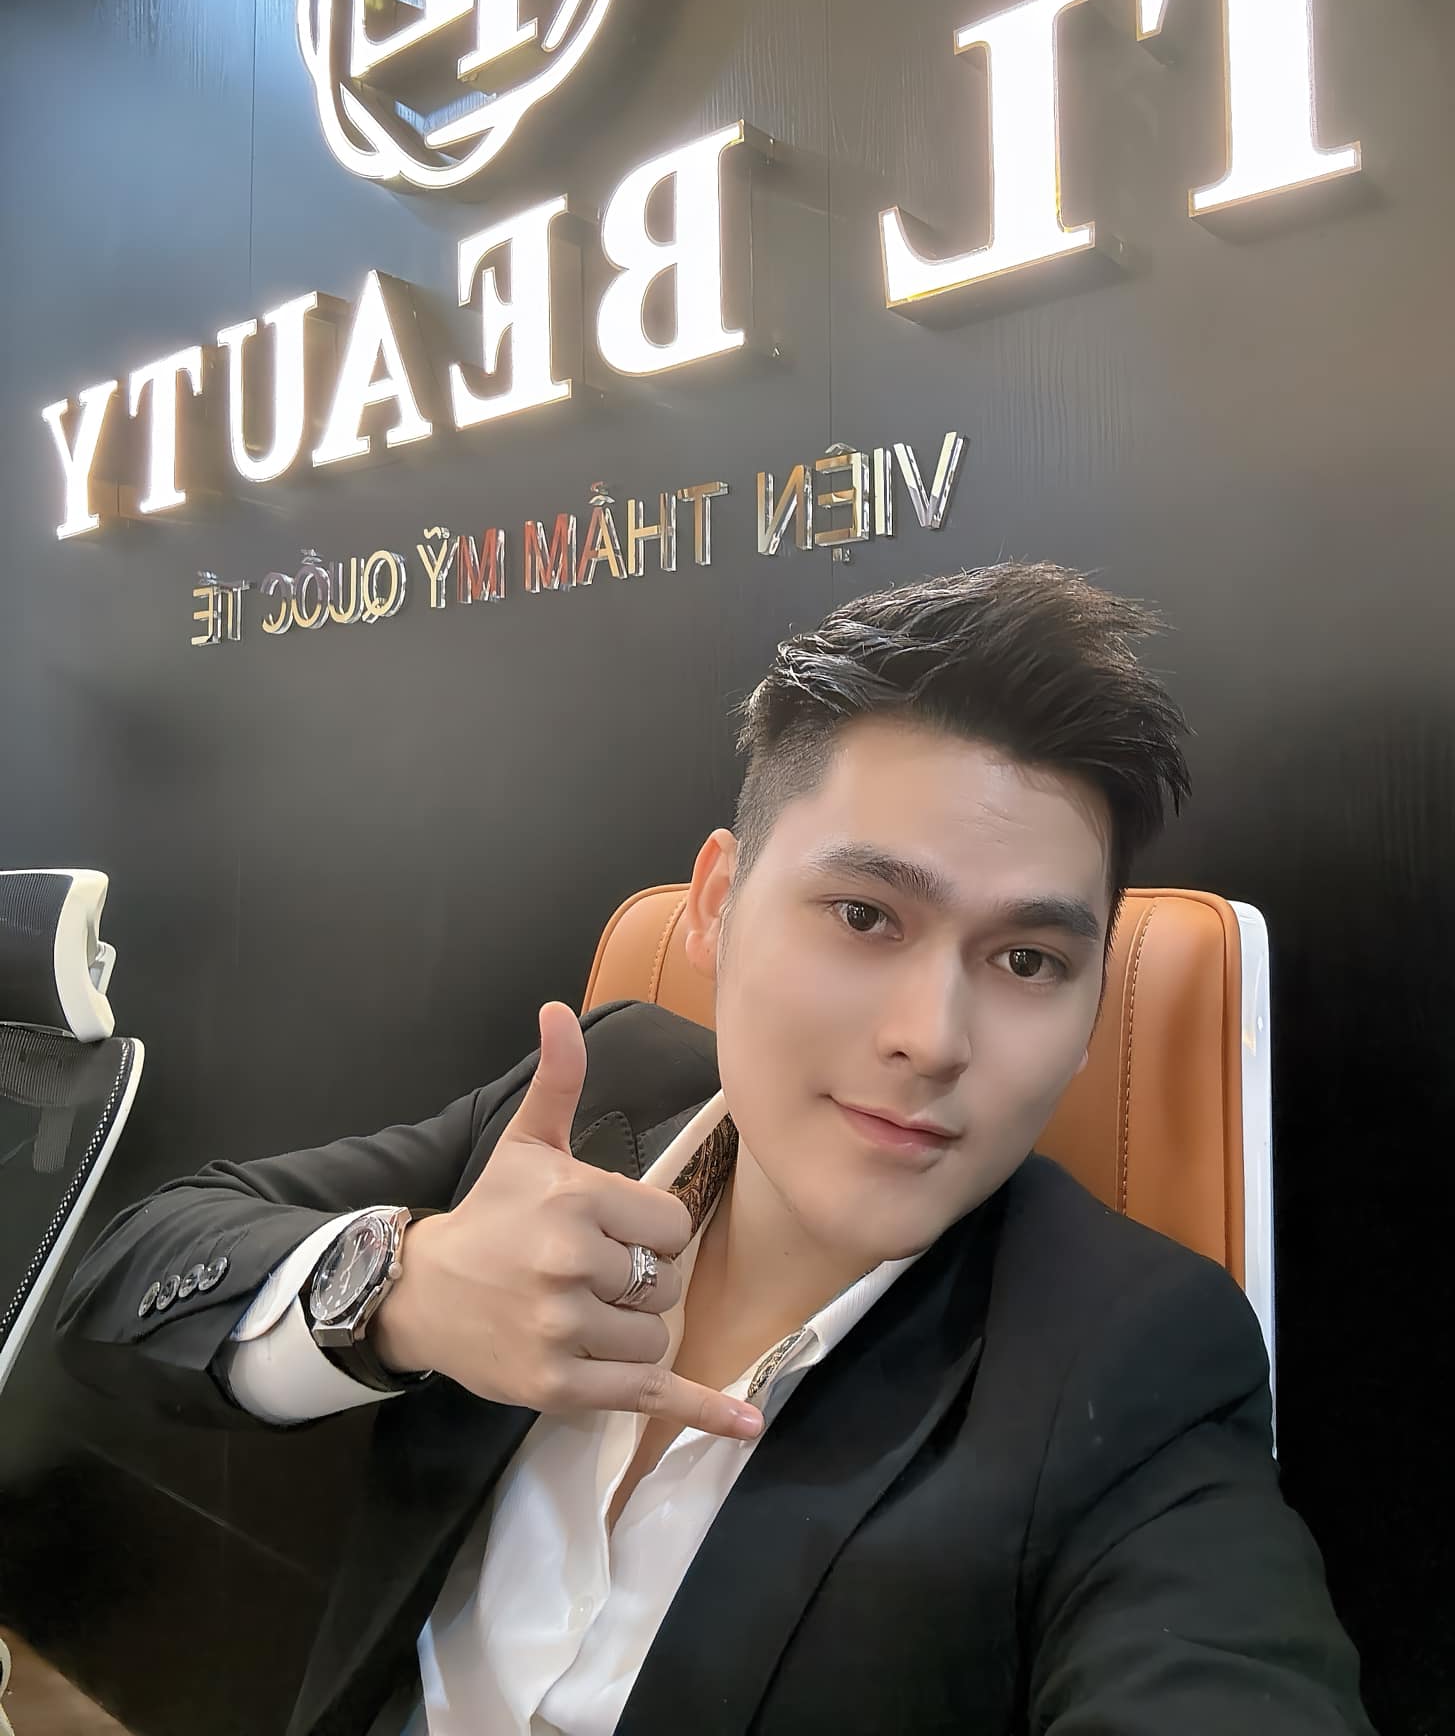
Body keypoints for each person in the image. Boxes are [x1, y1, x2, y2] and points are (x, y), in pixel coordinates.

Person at [55, 562, 1372, 1736]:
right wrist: (405, 1290)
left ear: (1090, 1012)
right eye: (863, 915)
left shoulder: (1137, 1355)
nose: (933, 1038)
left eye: (1028, 960)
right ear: (717, 904)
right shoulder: (599, 1098)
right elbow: (131, 1274)